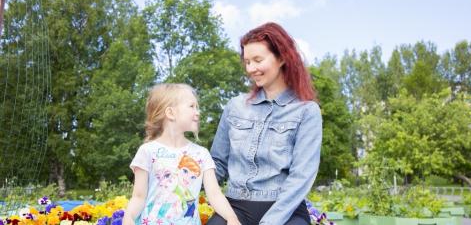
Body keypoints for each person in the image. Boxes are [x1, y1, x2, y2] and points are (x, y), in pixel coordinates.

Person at [207, 22, 323, 225]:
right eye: (247, 62)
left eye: (257, 60)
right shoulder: (235, 107)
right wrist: (179, 182)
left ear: (281, 58)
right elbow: (216, 164)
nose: (251, 68)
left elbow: (301, 176)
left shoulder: (306, 111)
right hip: (236, 208)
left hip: (286, 211)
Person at [123, 83, 242, 225]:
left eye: (197, 107)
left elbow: (215, 194)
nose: (198, 112)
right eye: (192, 106)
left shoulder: (201, 154)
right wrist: (128, 218)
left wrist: (232, 218)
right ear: (170, 113)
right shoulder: (147, 151)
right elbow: (138, 197)